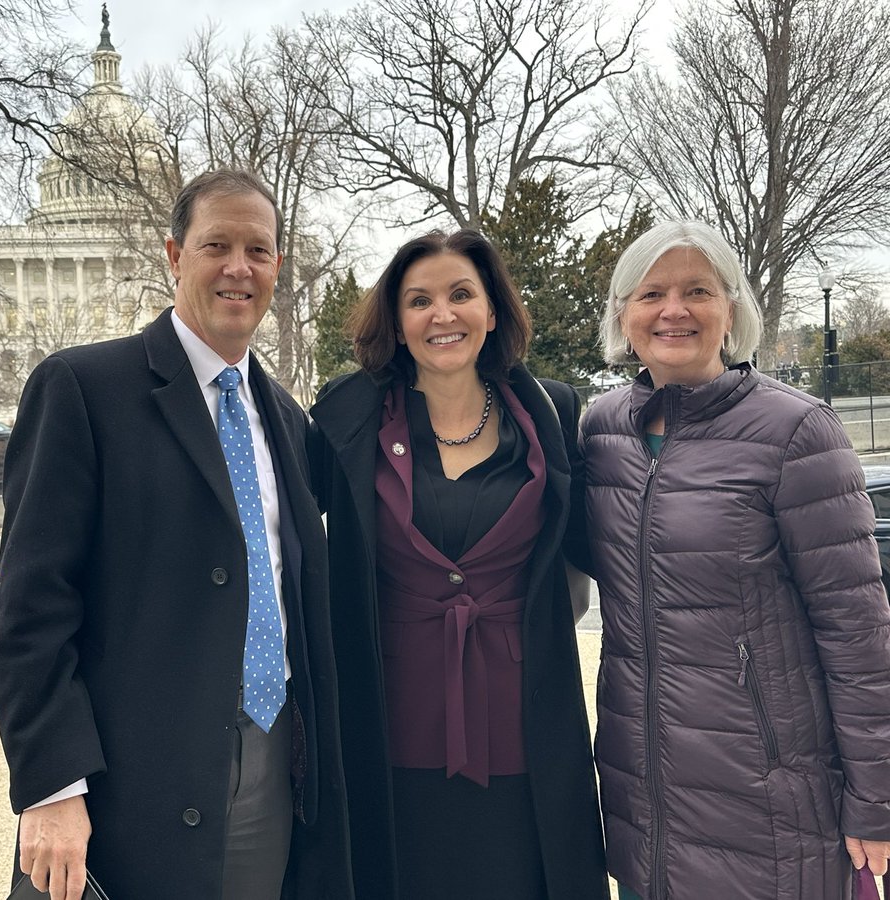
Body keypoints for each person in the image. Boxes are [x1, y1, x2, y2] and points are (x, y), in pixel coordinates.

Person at [0, 168, 350, 900]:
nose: (238, 267)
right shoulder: (85, 389)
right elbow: (30, 609)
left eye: (258, 249)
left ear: (278, 265)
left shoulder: (284, 418)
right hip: (132, 776)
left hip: (273, 760)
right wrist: (52, 785)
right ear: (174, 254)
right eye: (216, 243)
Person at [580, 220, 890, 899]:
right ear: (623, 314)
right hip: (645, 817)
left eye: (698, 290)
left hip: (768, 814)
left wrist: (876, 800)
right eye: (651, 292)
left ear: (731, 309)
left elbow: (858, 633)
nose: (674, 309)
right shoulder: (601, 431)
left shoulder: (797, 431)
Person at [310, 229, 608, 899]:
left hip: (525, 727)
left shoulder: (550, 411)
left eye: (460, 294)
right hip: (390, 725)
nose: (441, 315)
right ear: (397, 320)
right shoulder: (346, 415)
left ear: (493, 310)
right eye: (419, 300)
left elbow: (604, 542)